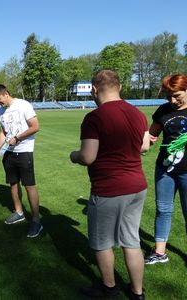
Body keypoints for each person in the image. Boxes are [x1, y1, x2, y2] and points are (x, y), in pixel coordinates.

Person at [70, 70, 150, 299]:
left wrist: (73, 155)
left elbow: (88, 156)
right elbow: (144, 147)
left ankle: (108, 287)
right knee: (131, 240)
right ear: (120, 87)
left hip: (109, 189)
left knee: (101, 242)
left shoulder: (95, 117)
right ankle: (137, 292)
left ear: (95, 89)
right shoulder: (137, 113)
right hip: (137, 186)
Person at [144, 74, 187, 265]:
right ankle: (160, 252)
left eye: (177, 95)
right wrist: (144, 142)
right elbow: (151, 136)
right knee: (163, 210)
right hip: (165, 170)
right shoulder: (163, 110)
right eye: (169, 96)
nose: (172, 100)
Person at [0, 84, 42, 238]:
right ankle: (19, 212)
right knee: (13, 183)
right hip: (9, 153)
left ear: (6, 93)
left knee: (29, 186)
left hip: (24, 151)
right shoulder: (0, 112)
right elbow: (3, 132)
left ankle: (36, 221)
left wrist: (17, 138)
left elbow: (35, 126)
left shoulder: (23, 105)